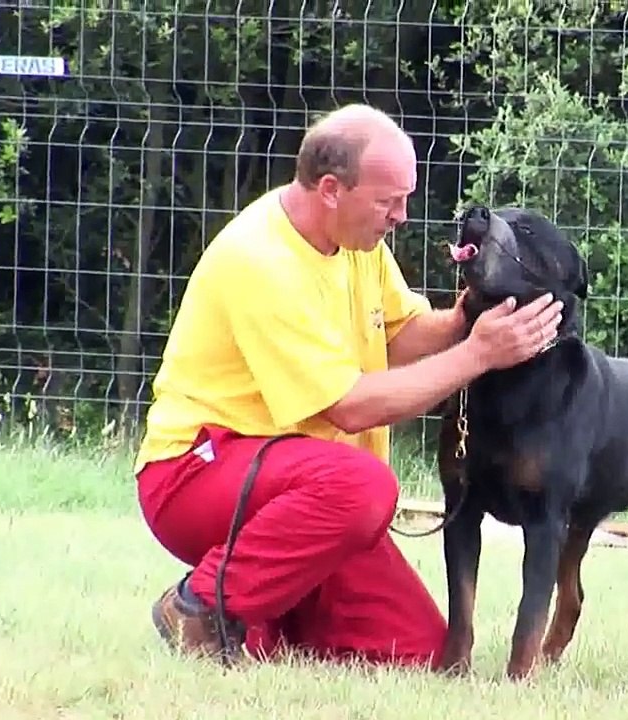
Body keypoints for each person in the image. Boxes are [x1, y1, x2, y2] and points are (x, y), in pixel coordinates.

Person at [134, 103, 564, 670]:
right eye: (389, 201)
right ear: (331, 189)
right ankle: (198, 606)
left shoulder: (356, 244)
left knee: (420, 652)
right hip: (195, 473)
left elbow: (403, 332)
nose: (401, 216)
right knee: (365, 488)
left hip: (305, 493)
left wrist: (467, 316)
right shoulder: (261, 261)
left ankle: (261, 618)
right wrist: (480, 353)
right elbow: (351, 408)